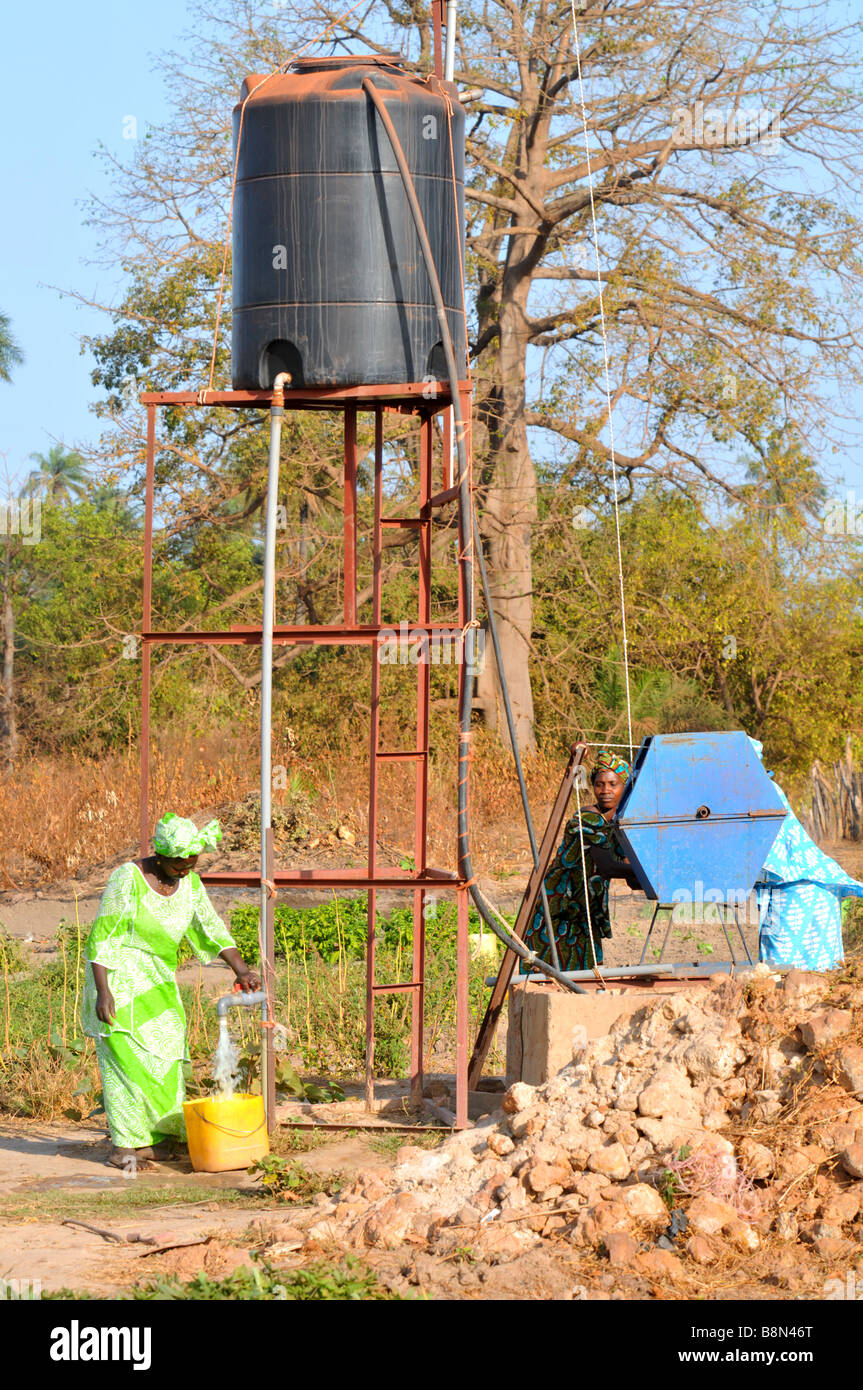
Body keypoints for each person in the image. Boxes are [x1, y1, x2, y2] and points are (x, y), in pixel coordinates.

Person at [82, 812, 262, 1169]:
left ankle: (156, 1138)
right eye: (179, 865)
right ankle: (124, 1146)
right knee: (127, 1064)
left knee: (167, 1056)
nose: (185, 871)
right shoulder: (128, 879)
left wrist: (241, 968)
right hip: (118, 979)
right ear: (160, 856)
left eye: (191, 864)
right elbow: (103, 936)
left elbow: (209, 926)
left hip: (157, 979)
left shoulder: (190, 884)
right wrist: (103, 992)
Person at [521, 748, 640, 973]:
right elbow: (607, 867)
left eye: (613, 784)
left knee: (584, 973)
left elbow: (628, 873)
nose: (605, 790)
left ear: (625, 788)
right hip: (562, 908)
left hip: (585, 912)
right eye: (599, 784)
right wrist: (644, 873)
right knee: (552, 973)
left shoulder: (616, 824)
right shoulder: (588, 817)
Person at [750, 740, 863, 970]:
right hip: (807, 887)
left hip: (802, 890)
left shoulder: (763, 793)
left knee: (787, 972)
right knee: (807, 974)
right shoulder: (760, 790)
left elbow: (771, 859)